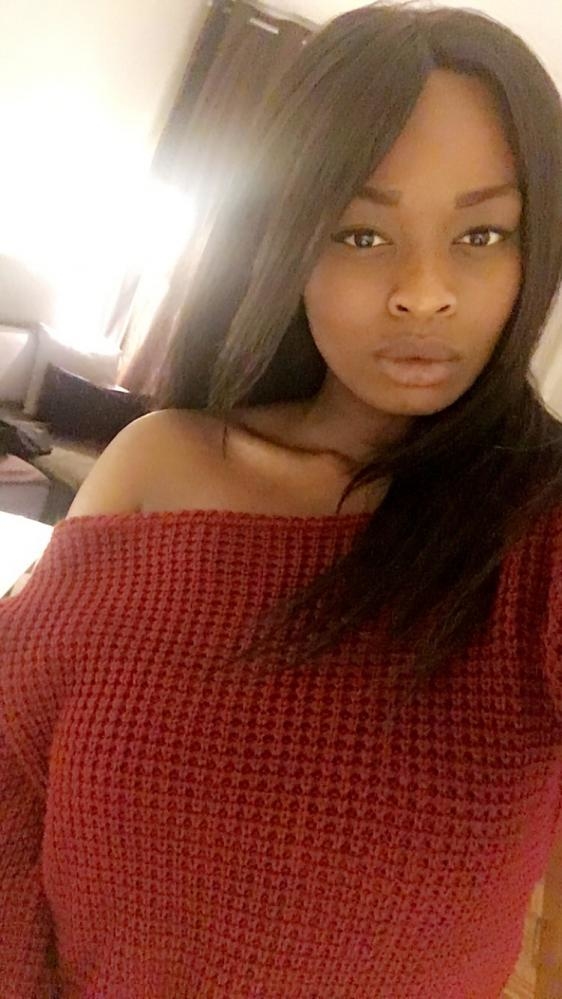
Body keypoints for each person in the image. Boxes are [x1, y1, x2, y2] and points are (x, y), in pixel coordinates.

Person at [1, 1, 562, 996]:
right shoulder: (158, 465)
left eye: (481, 233)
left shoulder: (537, 527)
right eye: (360, 233)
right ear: (286, 239)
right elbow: (13, 771)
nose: (423, 291)